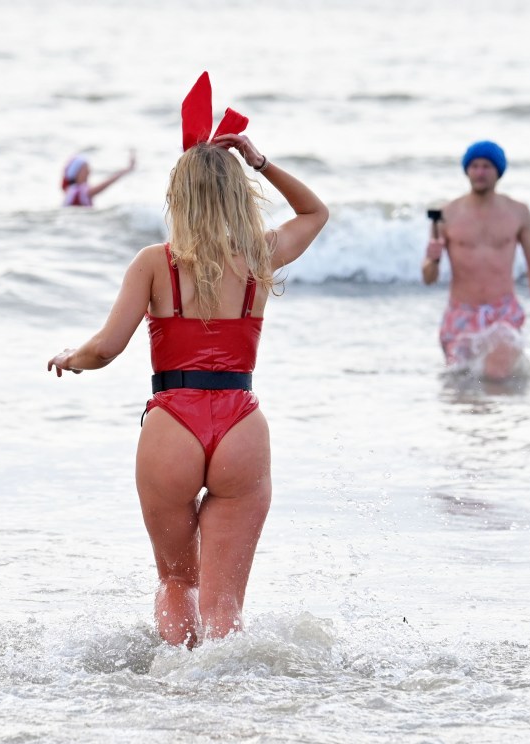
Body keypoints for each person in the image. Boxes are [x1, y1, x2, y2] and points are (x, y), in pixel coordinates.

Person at [47, 72, 328, 647]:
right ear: (234, 193)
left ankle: (175, 697)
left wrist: (72, 358)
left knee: (177, 583)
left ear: (179, 195)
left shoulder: (155, 262)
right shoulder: (258, 256)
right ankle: (224, 693)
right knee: (225, 607)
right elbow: (315, 214)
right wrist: (260, 161)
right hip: (240, 425)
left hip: (172, 422)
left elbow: (106, 348)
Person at [422, 140, 530, 379]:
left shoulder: (518, 212)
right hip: (460, 314)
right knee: (461, 388)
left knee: (496, 375)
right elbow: (428, 278)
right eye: (474, 166)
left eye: (486, 166)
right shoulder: (448, 214)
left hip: (502, 312)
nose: (479, 172)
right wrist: (431, 260)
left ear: (498, 171)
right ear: (466, 170)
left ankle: (501, 417)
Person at [61, 150, 136, 207]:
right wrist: (127, 169)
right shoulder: (77, 191)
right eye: (85, 170)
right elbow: (105, 184)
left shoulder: (71, 191)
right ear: (76, 173)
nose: (88, 172)